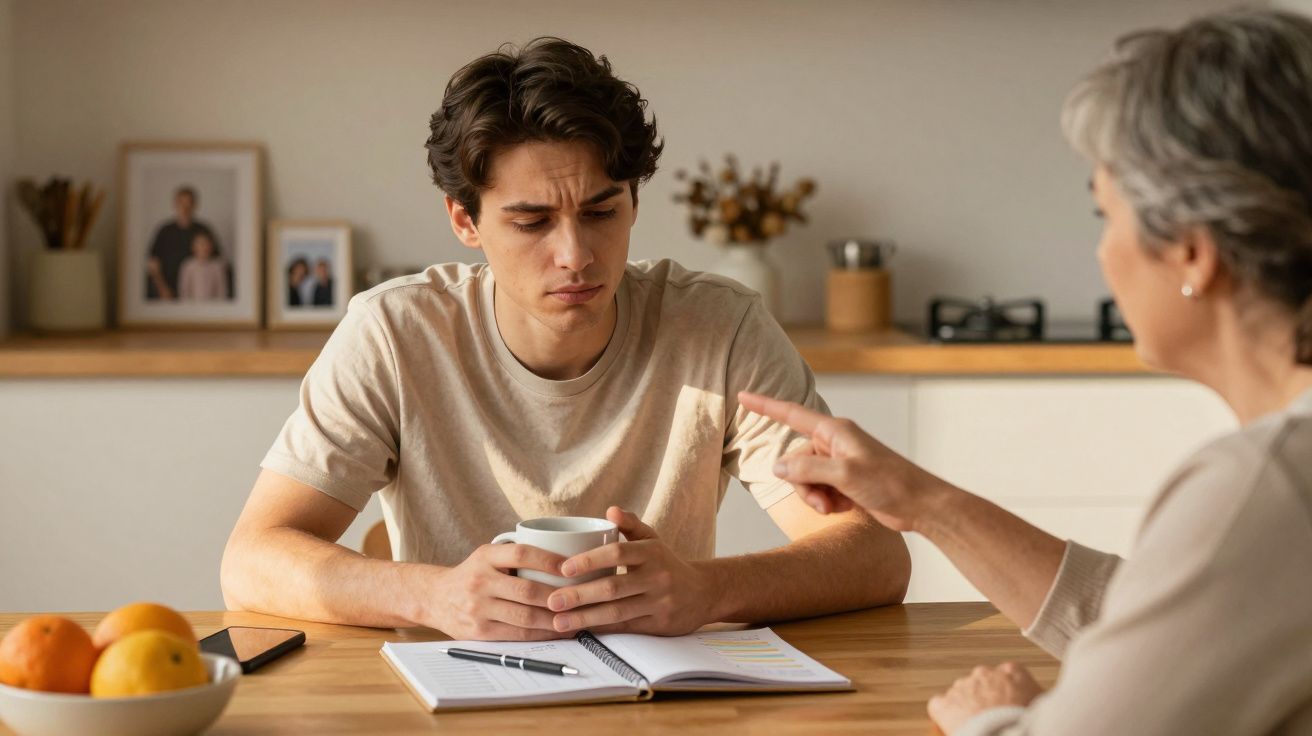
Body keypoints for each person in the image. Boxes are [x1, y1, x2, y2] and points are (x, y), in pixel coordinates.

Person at [220, 37, 910, 642]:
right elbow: (252, 559)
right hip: (453, 703)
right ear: (465, 219)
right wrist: (432, 594)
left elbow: (875, 555)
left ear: (634, 200)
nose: (576, 255)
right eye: (532, 222)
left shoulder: (718, 328)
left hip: (665, 704)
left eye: (601, 211)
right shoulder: (395, 334)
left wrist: (706, 591)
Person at [741, 9, 1312, 735]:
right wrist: (922, 501)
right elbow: (1159, 621)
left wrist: (993, 717)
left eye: (1108, 216)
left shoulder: (1263, 484)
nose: (1103, 255)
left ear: (1193, 253)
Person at [146, 186, 223, 300]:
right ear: (175, 204)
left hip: (197, 295)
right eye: (181, 202)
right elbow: (152, 263)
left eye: (189, 203)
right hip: (167, 292)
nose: (185, 207)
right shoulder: (164, 231)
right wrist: (163, 289)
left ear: (195, 205)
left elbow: (217, 262)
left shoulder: (204, 230)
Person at [177, 232, 228, 301]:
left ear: (211, 246)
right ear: (193, 247)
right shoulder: (188, 265)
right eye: (200, 244)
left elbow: (221, 291)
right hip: (192, 306)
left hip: (214, 307)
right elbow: (184, 290)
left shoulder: (217, 266)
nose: (203, 247)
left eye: (206, 244)